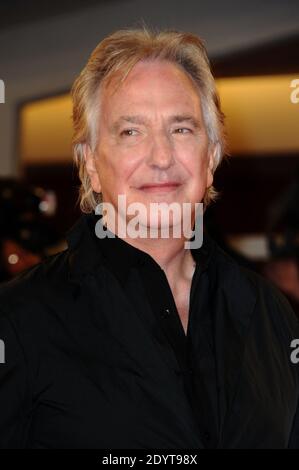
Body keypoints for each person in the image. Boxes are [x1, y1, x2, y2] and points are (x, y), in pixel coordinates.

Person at [0, 27, 299, 449]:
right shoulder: (18, 321)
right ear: (89, 164)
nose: (161, 158)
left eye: (181, 129)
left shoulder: (270, 314)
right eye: (130, 132)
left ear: (211, 156)